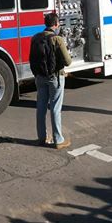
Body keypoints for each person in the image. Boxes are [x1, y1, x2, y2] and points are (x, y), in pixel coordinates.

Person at [29, 12, 72, 149]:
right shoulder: (57, 39)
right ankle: (58, 140)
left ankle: (41, 137)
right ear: (56, 24)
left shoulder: (35, 38)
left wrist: (37, 75)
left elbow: (31, 59)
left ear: (45, 23)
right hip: (55, 77)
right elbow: (68, 61)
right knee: (55, 108)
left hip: (40, 77)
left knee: (41, 107)